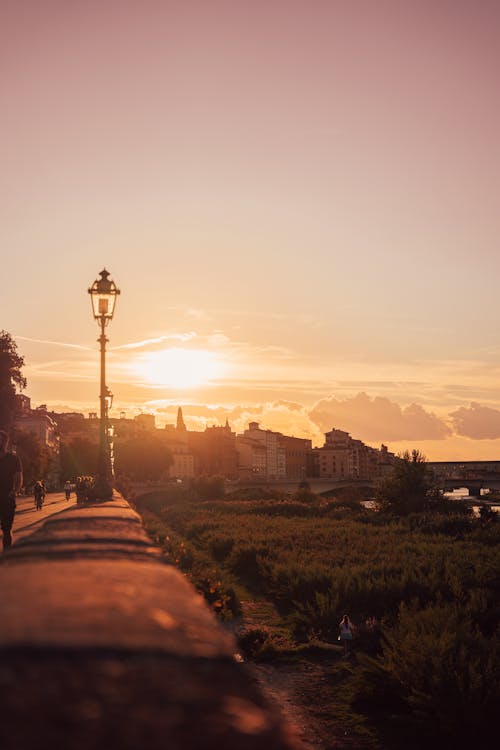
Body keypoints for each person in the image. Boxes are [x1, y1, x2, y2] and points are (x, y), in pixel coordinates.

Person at [0, 430, 23, 551]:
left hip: (7, 498)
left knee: (7, 530)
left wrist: (15, 491)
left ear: (5, 442)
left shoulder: (13, 459)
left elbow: (19, 478)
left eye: (1, 440)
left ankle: (7, 556)